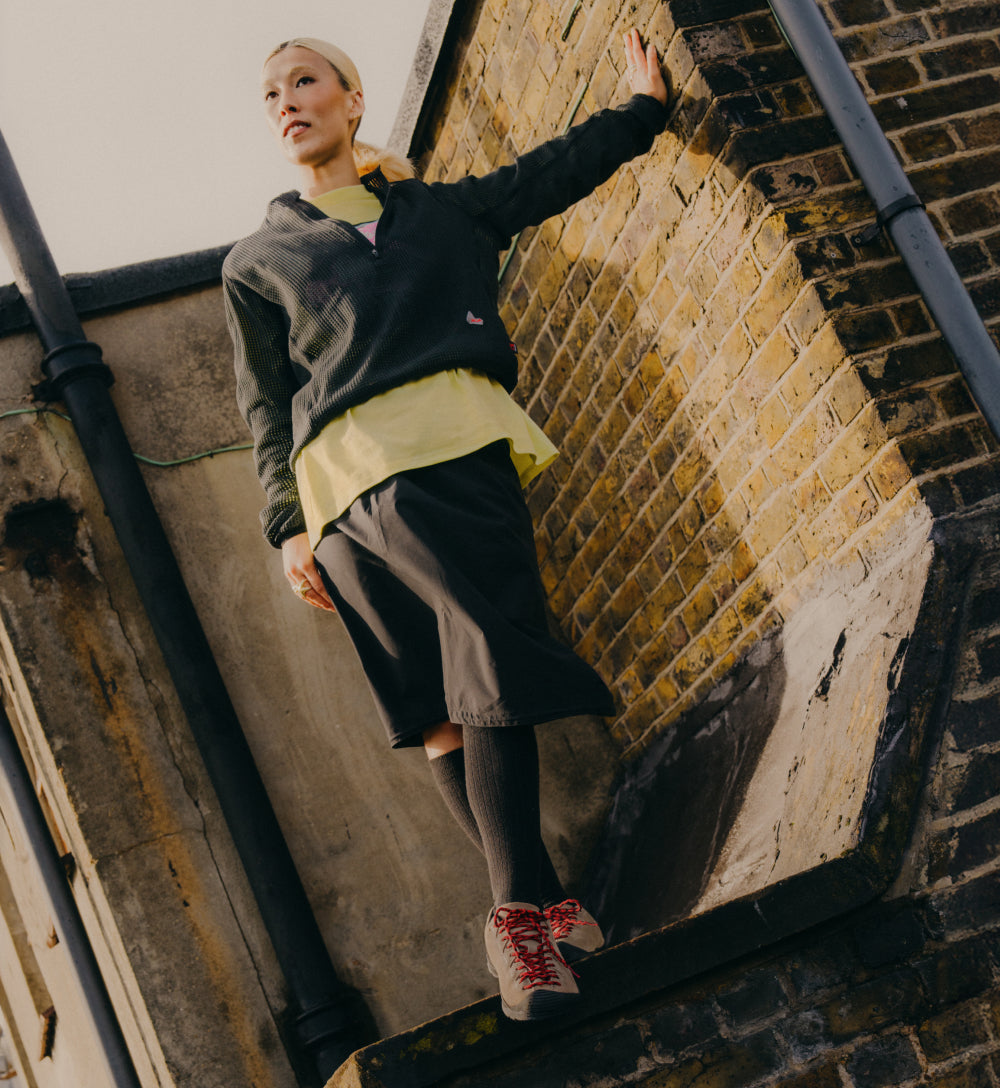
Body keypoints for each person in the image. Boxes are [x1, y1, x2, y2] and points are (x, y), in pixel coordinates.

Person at [221, 30, 669, 1021]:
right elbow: (264, 404)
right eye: (270, 94)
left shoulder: (437, 212)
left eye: (304, 81)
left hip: (450, 449)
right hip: (340, 499)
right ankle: (535, 912)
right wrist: (287, 527)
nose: (286, 101)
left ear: (351, 99)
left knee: (481, 672)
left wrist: (640, 113)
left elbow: (545, 175)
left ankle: (525, 914)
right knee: (439, 702)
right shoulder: (256, 261)